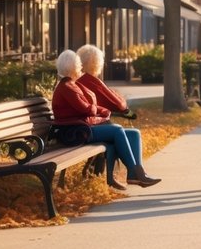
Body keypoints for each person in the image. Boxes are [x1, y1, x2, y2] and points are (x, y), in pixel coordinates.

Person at [52, 49, 160, 189]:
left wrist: (100, 109)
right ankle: (133, 173)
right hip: (75, 132)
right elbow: (87, 108)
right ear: (74, 67)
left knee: (134, 133)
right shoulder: (67, 87)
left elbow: (89, 107)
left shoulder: (71, 84)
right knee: (116, 130)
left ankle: (139, 172)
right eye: (78, 66)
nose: (80, 69)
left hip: (81, 128)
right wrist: (100, 109)